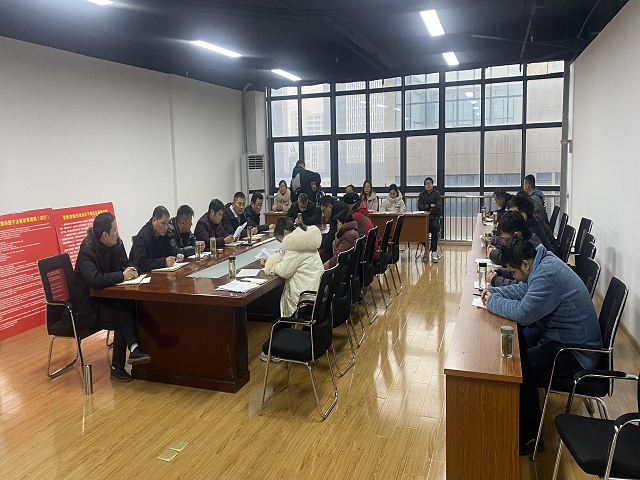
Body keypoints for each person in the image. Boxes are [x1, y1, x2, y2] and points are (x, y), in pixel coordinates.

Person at [481, 237, 602, 455]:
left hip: (576, 352)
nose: (514, 277)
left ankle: (530, 437)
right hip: (558, 337)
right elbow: (523, 291)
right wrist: (495, 292)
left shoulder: (547, 274)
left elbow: (523, 314)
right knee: (515, 352)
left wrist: (492, 302)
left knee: (519, 367)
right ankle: (514, 421)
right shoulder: (541, 263)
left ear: (525, 264)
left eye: (514, 272)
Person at [69, 212, 150, 382]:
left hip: (107, 299)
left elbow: (126, 263)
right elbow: (94, 279)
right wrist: (122, 275)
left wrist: (132, 269)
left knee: (130, 306)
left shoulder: (116, 243)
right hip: (88, 306)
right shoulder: (87, 250)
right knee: (121, 319)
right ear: (105, 235)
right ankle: (117, 368)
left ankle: (135, 349)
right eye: (114, 229)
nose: (117, 233)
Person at [262, 216, 323, 361]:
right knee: (279, 305)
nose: (281, 243)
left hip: (306, 298)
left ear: (285, 232)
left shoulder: (294, 244)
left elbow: (284, 271)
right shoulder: (305, 238)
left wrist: (272, 264)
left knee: (279, 308)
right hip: (317, 293)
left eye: (280, 239)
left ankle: (276, 350)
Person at [487, 211, 542, 286]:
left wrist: (495, 280)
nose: (505, 243)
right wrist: (499, 272)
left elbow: (520, 285)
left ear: (516, 235)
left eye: (505, 240)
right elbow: (516, 270)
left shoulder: (529, 248)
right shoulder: (526, 240)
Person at [130, 206, 183, 272]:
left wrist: (176, 255)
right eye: (163, 223)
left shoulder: (165, 234)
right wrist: (163, 262)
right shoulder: (142, 237)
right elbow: (140, 263)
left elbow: (169, 250)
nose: (166, 227)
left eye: (167, 224)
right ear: (154, 220)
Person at [417, 177, 442, 262]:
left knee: (434, 228)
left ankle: (434, 252)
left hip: (434, 218)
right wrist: (430, 205)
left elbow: (438, 207)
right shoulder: (422, 195)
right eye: (426, 183)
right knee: (417, 230)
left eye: (429, 183)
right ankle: (427, 247)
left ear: (432, 184)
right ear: (424, 185)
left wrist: (428, 211)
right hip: (423, 219)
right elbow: (420, 207)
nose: (428, 185)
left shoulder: (436, 194)